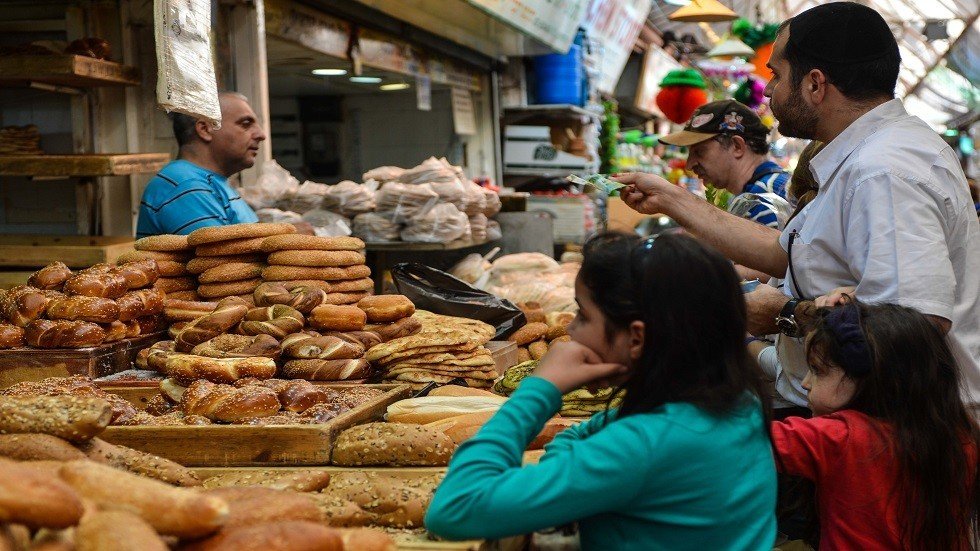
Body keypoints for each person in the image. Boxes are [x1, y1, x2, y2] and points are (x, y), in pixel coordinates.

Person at [615, 2, 980, 414]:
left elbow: (915, 322)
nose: (769, 90)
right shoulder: (863, 158)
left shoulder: (883, 170)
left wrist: (787, 314)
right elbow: (783, 252)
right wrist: (671, 198)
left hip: (886, 429)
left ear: (815, 84)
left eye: (776, 74)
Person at [425, 232, 777, 550]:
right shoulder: (735, 401)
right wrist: (572, 469)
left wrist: (540, 390)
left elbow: (456, 506)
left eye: (583, 316)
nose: (572, 332)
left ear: (636, 338)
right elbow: (587, 434)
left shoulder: (643, 444)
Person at [772, 300, 979, 549]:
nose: (806, 383)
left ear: (873, 379)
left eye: (817, 370)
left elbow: (742, 440)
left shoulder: (841, 437)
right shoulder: (961, 434)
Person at [136, 92, 263, 237]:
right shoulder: (187, 186)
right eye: (246, 124)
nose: (261, 134)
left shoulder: (209, 182)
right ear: (205, 129)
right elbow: (218, 251)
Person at [659, 99, 791, 230]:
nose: (689, 165)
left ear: (737, 146)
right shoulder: (767, 188)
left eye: (700, 152)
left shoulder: (762, 200)